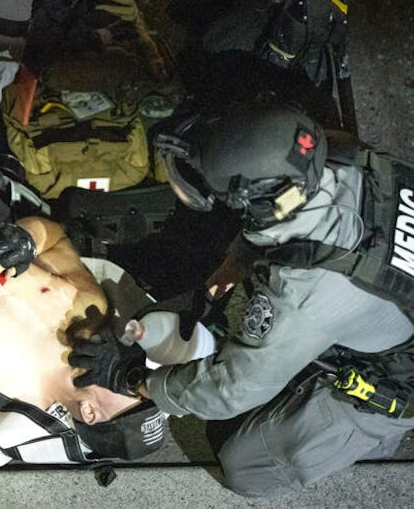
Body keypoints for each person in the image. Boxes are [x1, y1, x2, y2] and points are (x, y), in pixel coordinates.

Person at [71, 102, 414, 497]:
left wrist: (136, 382)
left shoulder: (303, 292)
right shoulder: (343, 157)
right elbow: (279, 227)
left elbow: (231, 390)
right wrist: (219, 281)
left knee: (246, 464)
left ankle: (372, 434)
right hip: (383, 302)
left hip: (399, 376)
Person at [0, 216, 188, 467]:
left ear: (90, 413)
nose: (138, 384)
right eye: (146, 392)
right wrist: (27, 238)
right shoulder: (90, 310)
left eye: (137, 400)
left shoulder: (6, 398)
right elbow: (55, 240)